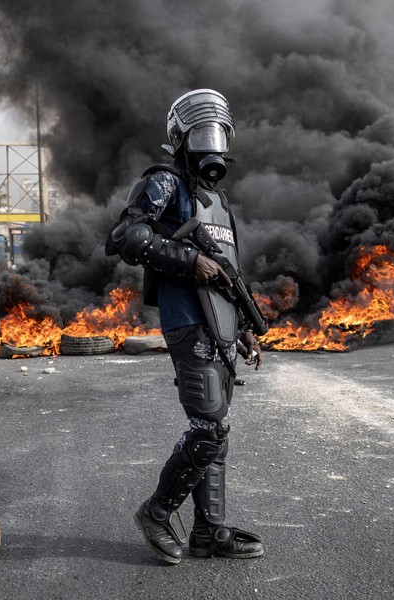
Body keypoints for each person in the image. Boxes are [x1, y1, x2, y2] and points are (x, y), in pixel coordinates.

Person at [105, 89, 265, 564]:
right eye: (201, 132)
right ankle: (157, 513)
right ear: (179, 137)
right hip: (188, 324)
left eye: (216, 132)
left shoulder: (218, 201)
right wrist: (189, 259)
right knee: (208, 429)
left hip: (221, 329)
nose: (210, 142)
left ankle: (209, 533)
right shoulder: (164, 183)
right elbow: (125, 237)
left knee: (218, 431)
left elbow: (230, 275)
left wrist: (245, 329)